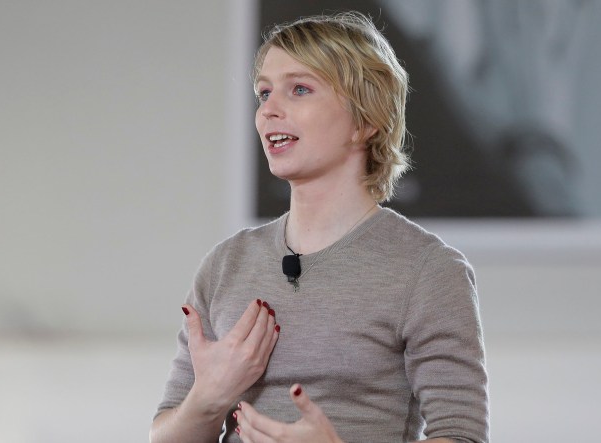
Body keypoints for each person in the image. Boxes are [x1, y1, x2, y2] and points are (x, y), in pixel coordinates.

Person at [151, 12, 488, 443]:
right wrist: (208, 399)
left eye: (300, 89)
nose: (269, 110)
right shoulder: (225, 264)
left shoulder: (428, 270)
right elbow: (164, 433)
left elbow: (461, 435)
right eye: (264, 92)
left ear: (365, 120)